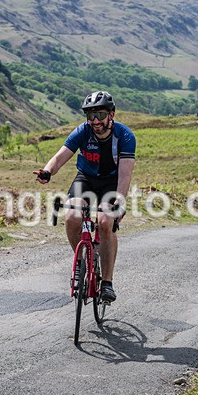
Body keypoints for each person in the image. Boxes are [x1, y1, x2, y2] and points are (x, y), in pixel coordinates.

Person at [34, 91, 136, 303]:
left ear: (111, 114)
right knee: (72, 216)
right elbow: (60, 157)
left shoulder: (125, 136)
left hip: (111, 182)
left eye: (100, 115)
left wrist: (120, 201)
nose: (95, 121)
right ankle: (81, 262)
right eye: (91, 116)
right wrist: (47, 172)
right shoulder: (83, 131)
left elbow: (125, 174)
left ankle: (106, 283)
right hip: (86, 179)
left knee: (105, 222)